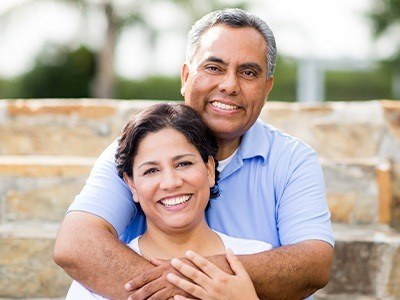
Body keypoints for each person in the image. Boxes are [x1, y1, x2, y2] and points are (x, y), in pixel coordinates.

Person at [54, 8, 334, 300]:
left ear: (267, 88)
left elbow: (312, 263)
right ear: (186, 76)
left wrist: (187, 281)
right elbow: (76, 244)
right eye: (213, 67)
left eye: (248, 73)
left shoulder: (292, 160)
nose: (229, 85)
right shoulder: (136, 150)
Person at [65, 103, 272, 299]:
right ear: (132, 185)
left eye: (183, 163)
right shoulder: (97, 279)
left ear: (209, 169)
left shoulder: (257, 255)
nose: (171, 182)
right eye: (151, 170)